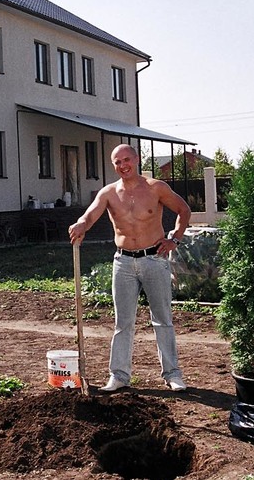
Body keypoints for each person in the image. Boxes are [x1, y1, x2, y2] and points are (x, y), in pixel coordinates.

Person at [68, 144, 192, 392]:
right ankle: (119, 376)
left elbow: (183, 210)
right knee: (123, 322)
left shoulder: (156, 188)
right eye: (117, 162)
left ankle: (172, 374)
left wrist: (175, 239)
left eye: (127, 160)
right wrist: (81, 224)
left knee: (162, 319)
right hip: (123, 262)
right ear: (113, 166)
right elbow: (90, 215)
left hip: (153, 260)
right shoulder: (109, 192)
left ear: (136, 159)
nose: (123, 165)